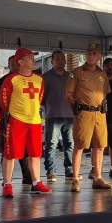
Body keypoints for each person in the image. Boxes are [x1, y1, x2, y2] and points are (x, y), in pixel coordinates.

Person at [0, 48, 51, 197]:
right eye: (30, 58)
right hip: (16, 121)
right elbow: (3, 100)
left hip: (34, 121)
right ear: (20, 62)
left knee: (35, 153)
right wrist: (13, 114)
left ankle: (36, 183)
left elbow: (39, 98)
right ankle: (7, 185)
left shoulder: (39, 79)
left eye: (33, 57)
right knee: (10, 154)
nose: (34, 60)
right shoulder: (11, 79)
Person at [65, 43, 112, 193]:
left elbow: (104, 94)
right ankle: (75, 179)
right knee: (80, 146)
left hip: (99, 113)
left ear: (99, 56)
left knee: (100, 146)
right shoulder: (77, 72)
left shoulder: (102, 74)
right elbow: (68, 95)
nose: (91, 56)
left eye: (94, 53)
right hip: (83, 113)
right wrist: (76, 110)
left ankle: (97, 177)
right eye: (89, 53)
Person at [0, 55, 31, 184]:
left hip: (26, 120)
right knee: (8, 150)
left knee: (26, 150)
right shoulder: (2, 81)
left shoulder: (28, 80)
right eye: (13, 64)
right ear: (9, 66)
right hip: (8, 120)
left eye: (17, 64)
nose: (15, 66)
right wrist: (6, 113)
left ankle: (28, 176)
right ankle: (7, 180)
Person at [41, 51, 74, 182]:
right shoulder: (46, 77)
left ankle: (70, 170)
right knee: (51, 144)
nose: (60, 61)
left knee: (70, 144)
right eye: (57, 59)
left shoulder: (71, 76)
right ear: (52, 61)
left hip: (69, 116)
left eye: (62, 59)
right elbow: (41, 97)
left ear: (65, 61)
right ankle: (51, 171)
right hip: (52, 116)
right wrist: (49, 107)